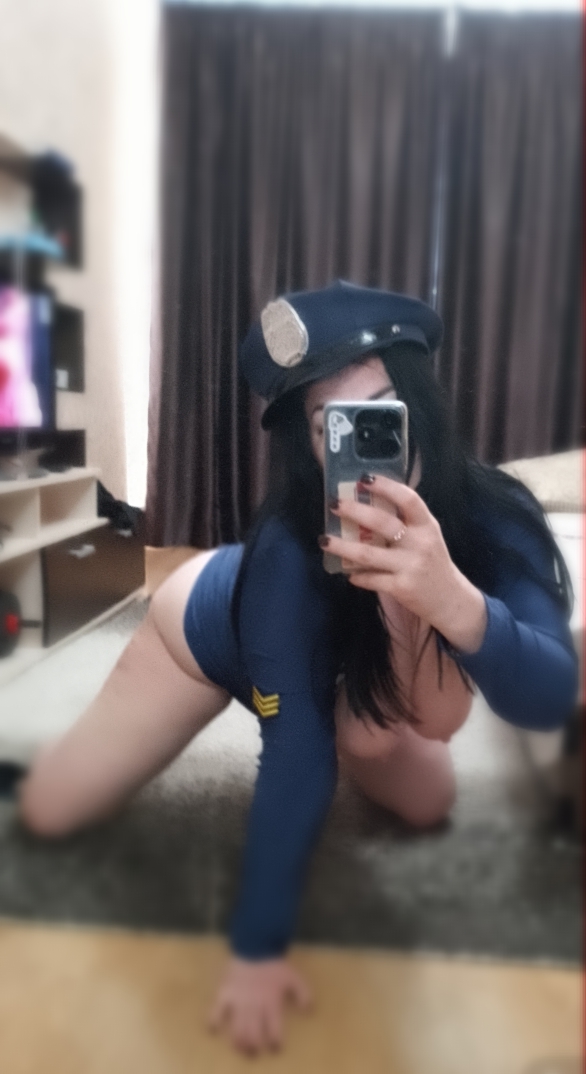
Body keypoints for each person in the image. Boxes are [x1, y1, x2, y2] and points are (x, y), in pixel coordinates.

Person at [19, 281, 577, 1056]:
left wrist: (452, 598)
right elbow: (294, 754)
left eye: (383, 412)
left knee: (427, 802)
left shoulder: (496, 514)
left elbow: (548, 699)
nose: (367, 448)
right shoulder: (287, 552)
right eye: (333, 427)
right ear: (310, 448)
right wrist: (257, 950)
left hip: (356, 662)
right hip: (209, 633)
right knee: (49, 810)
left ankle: (359, 704)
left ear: (421, 405)